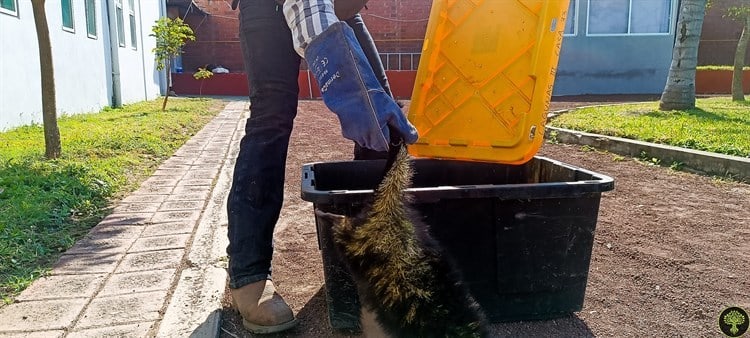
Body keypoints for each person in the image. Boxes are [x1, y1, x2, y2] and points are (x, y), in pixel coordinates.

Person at [226, 0, 418, 334]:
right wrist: (336, 65)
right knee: (270, 119)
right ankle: (249, 272)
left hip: (337, 5)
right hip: (265, 7)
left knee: (381, 112)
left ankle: (377, 261)